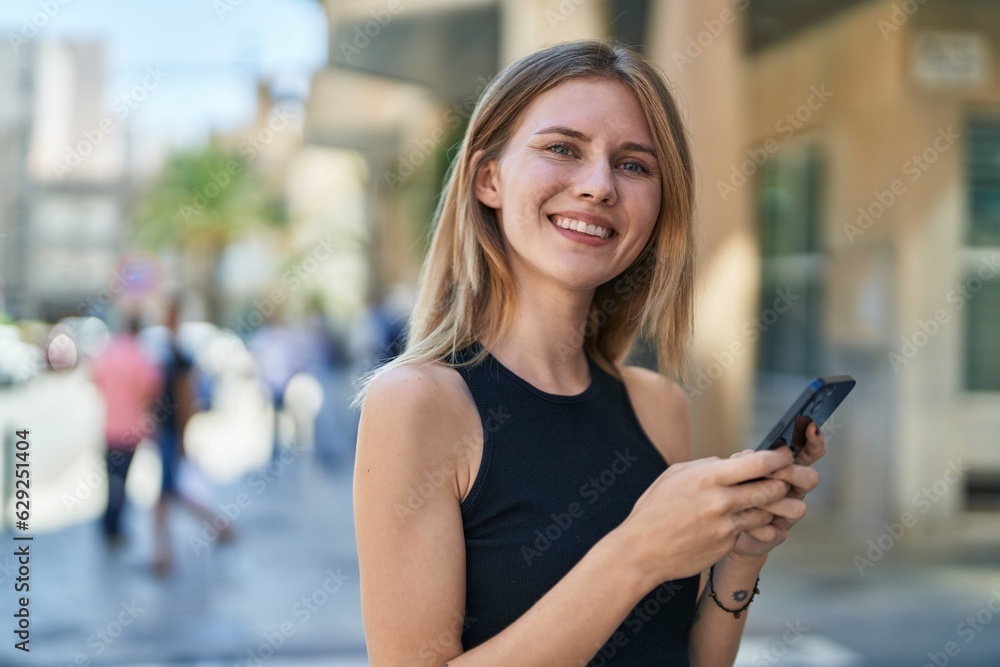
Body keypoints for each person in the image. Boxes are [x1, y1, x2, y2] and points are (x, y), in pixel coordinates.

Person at [352, 40, 827, 667]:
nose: (598, 186)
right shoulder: (418, 404)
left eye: (634, 165)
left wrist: (741, 553)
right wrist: (639, 552)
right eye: (561, 149)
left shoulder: (659, 406)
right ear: (488, 179)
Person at [153, 298, 232, 575]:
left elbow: (188, 398)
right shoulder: (167, 350)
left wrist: (184, 436)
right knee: (168, 493)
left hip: (171, 433)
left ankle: (164, 553)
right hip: (166, 432)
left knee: (167, 494)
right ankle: (217, 527)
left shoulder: (179, 355)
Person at [89, 313, 161, 545]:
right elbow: (151, 388)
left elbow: (94, 379)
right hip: (130, 429)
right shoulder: (140, 354)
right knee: (122, 480)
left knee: (112, 480)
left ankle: (109, 524)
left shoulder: (109, 351)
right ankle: (114, 526)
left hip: (109, 427)